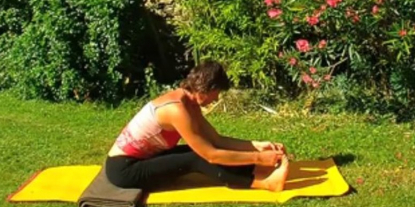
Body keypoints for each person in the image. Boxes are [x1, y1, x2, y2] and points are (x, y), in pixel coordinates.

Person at [105, 60, 289, 192]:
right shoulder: (176, 109)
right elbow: (210, 155)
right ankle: (264, 183)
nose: (216, 99)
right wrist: (258, 157)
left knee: (200, 150)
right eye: (215, 94)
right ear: (204, 89)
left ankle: (256, 170)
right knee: (198, 158)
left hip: (142, 159)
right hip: (124, 170)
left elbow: (216, 139)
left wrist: (257, 145)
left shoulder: (189, 103)